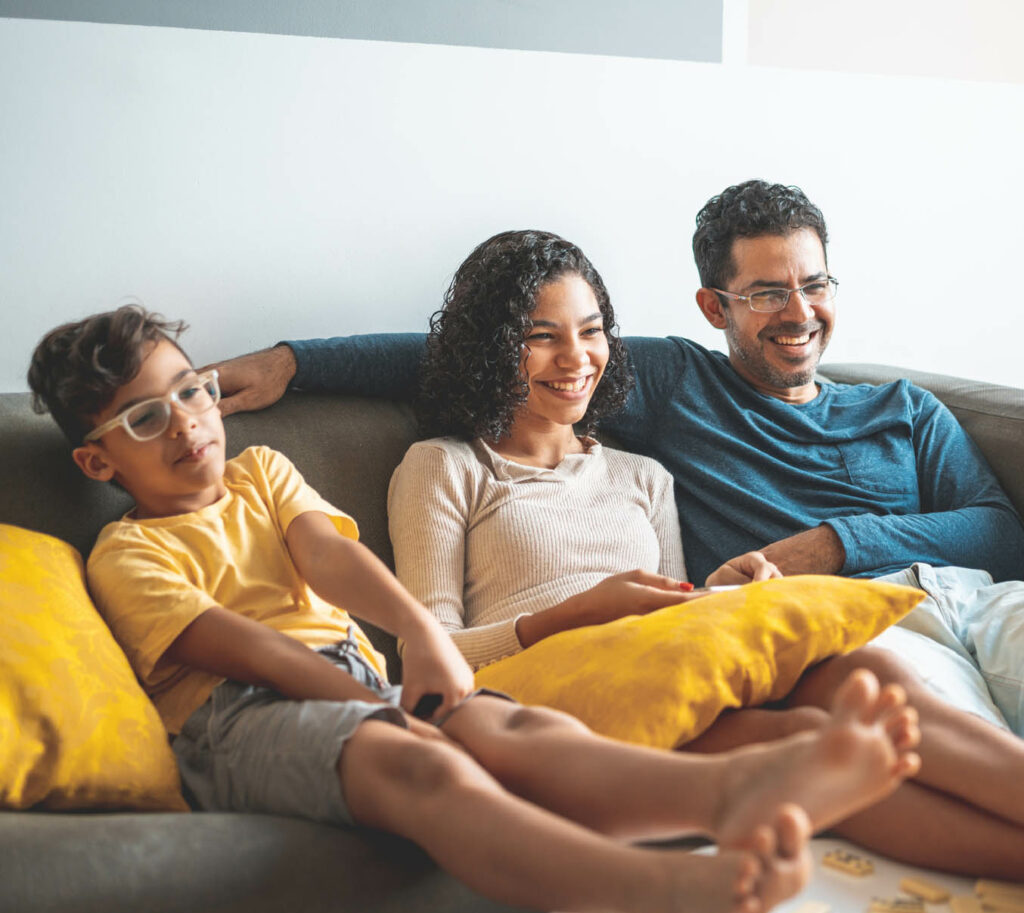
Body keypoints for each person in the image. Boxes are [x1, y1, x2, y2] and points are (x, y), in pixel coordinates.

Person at [28, 306, 924, 913]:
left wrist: (422, 636)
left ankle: (731, 793)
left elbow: (328, 560)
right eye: (147, 418)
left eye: (193, 391)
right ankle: (666, 896)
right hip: (243, 719)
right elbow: (249, 652)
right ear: (97, 462)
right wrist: (391, 709)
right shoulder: (125, 551)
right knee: (422, 761)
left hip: (354, 676)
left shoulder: (262, 469)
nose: (188, 422)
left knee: (517, 728)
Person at [209, 181, 1024, 739]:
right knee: (906, 709)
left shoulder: (905, 408)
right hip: (847, 626)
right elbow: (475, 349)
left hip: (974, 599)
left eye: (815, 283)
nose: (799, 312)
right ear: (716, 306)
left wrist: (834, 543)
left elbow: (999, 534)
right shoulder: (674, 384)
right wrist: (294, 360)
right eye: (767, 291)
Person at [379, 228, 1024, 876]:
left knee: (862, 678)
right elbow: (425, 661)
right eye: (542, 336)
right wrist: (573, 614)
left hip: (662, 660)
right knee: (799, 749)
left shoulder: (643, 475)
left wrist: (719, 581)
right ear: (493, 347)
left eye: (591, 330)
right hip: (550, 684)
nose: (576, 357)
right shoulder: (443, 466)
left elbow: (677, 609)